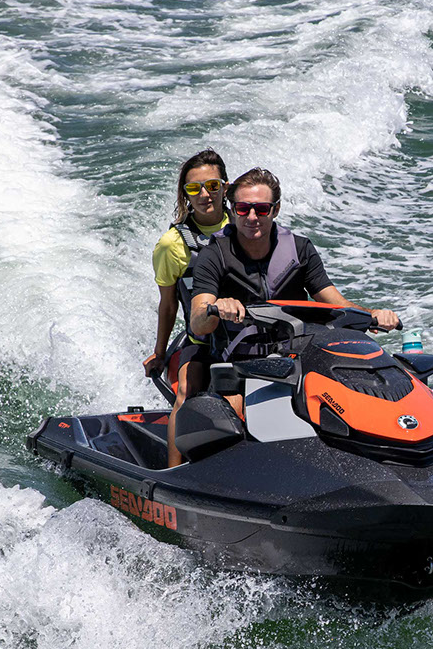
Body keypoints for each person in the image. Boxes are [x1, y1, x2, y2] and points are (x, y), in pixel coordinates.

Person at [190, 167, 401, 371]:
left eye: (262, 209)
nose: (252, 217)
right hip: (237, 364)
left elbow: (338, 306)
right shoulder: (214, 254)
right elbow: (199, 322)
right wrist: (218, 307)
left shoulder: (300, 249)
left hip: (296, 359)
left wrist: (374, 314)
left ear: (276, 209)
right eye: (243, 209)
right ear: (233, 209)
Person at [144, 149, 230, 466]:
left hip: (251, 336)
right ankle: (174, 475)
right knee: (186, 390)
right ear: (185, 194)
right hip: (202, 340)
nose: (204, 195)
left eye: (212, 185)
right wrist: (160, 351)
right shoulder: (172, 245)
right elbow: (168, 305)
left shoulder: (247, 228)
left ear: (226, 187)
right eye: (194, 189)